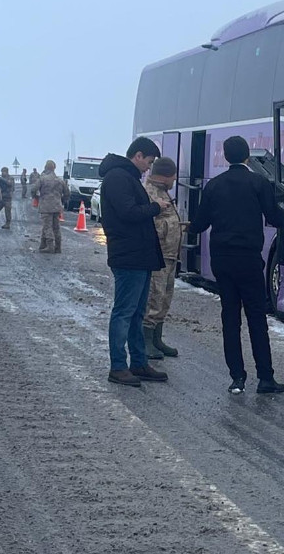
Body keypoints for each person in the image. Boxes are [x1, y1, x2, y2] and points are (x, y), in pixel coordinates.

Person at [187, 136, 284, 395]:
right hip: (249, 260)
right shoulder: (258, 182)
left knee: (230, 318)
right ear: (247, 156)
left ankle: (237, 378)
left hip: (222, 261)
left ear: (226, 157)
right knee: (256, 319)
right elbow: (274, 216)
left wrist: (189, 227)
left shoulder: (214, 186)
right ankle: (265, 378)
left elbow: (200, 223)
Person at [99, 138, 170, 388]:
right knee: (124, 312)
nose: (148, 169)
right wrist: (155, 207)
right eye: (149, 163)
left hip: (138, 255)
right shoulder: (118, 178)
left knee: (137, 312)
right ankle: (118, 366)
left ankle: (138, 362)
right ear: (138, 156)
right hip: (128, 255)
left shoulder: (126, 177)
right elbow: (128, 213)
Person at [142, 156, 183, 360]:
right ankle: (146, 339)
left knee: (165, 297)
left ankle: (157, 337)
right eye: (173, 176)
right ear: (165, 175)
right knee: (154, 298)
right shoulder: (150, 193)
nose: (174, 180)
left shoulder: (163, 191)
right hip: (158, 255)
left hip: (169, 255)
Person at [31, 160, 68, 252]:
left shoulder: (42, 179)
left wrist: (36, 197)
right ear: (54, 168)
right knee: (56, 226)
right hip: (57, 205)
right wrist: (61, 201)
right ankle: (57, 247)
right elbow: (67, 193)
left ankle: (50, 246)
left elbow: (33, 189)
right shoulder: (60, 180)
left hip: (46, 205)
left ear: (45, 167)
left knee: (47, 226)